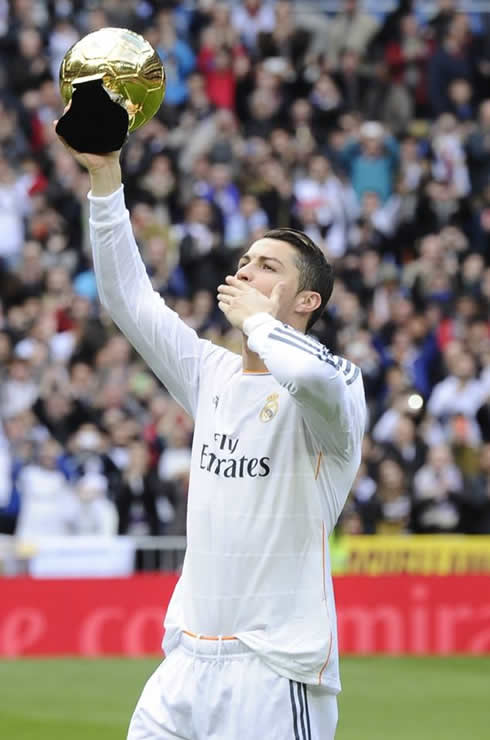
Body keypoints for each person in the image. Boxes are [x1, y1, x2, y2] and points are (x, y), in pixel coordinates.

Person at [55, 123, 366, 739]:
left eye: (268, 266)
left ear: (305, 301)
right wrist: (104, 177)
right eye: (245, 260)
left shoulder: (336, 386)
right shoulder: (211, 373)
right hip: (186, 663)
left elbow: (314, 378)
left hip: (276, 673)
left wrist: (263, 326)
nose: (246, 270)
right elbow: (128, 300)